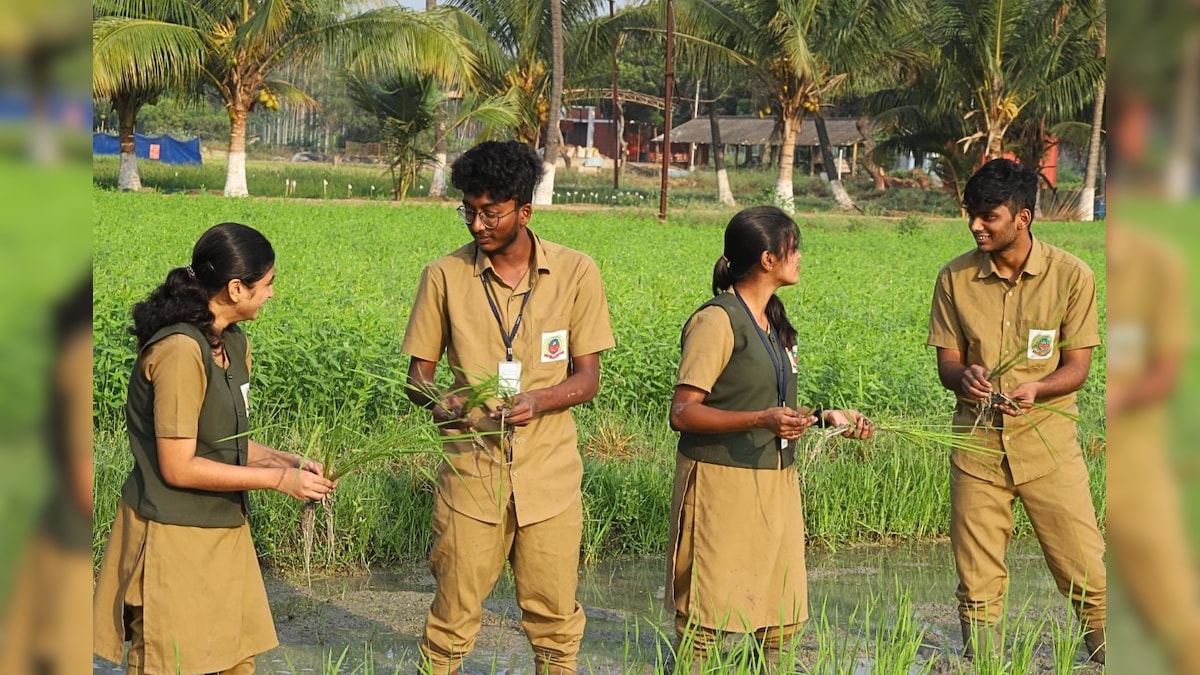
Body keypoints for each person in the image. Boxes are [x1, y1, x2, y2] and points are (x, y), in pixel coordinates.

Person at [401, 140, 615, 675]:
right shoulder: (443, 277)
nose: (476, 224)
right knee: (450, 622)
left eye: (490, 213)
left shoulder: (576, 273)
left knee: (556, 625)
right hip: (470, 477)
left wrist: (540, 399)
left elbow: (587, 379)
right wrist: (441, 401)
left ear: (524, 210)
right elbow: (417, 379)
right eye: (468, 211)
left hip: (550, 480)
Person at [93, 223, 335, 675]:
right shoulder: (181, 352)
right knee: (173, 662)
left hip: (225, 535)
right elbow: (179, 466)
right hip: (174, 538)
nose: (271, 294)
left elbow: (226, 443)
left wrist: (291, 462)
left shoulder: (232, 343)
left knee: (234, 661)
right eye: (267, 284)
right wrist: (279, 481)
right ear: (236, 288)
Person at [666, 205, 873, 673]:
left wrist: (824, 417)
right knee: (708, 620)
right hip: (722, 484)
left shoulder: (772, 321)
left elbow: (770, 407)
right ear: (766, 259)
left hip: (776, 482)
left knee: (780, 620)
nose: (799, 257)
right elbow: (682, 413)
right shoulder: (718, 321)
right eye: (793, 248)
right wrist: (760, 419)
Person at [926, 158, 1105, 663]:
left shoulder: (1072, 276)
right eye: (971, 214)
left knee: (1087, 574)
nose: (975, 225)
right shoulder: (954, 279)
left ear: (1022, 216)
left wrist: (1038, 388)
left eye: (988, 216)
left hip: (1048, 449)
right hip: (976, 449)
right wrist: (965, 378)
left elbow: (1077, 368)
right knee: (977, 586)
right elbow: (947, 364)